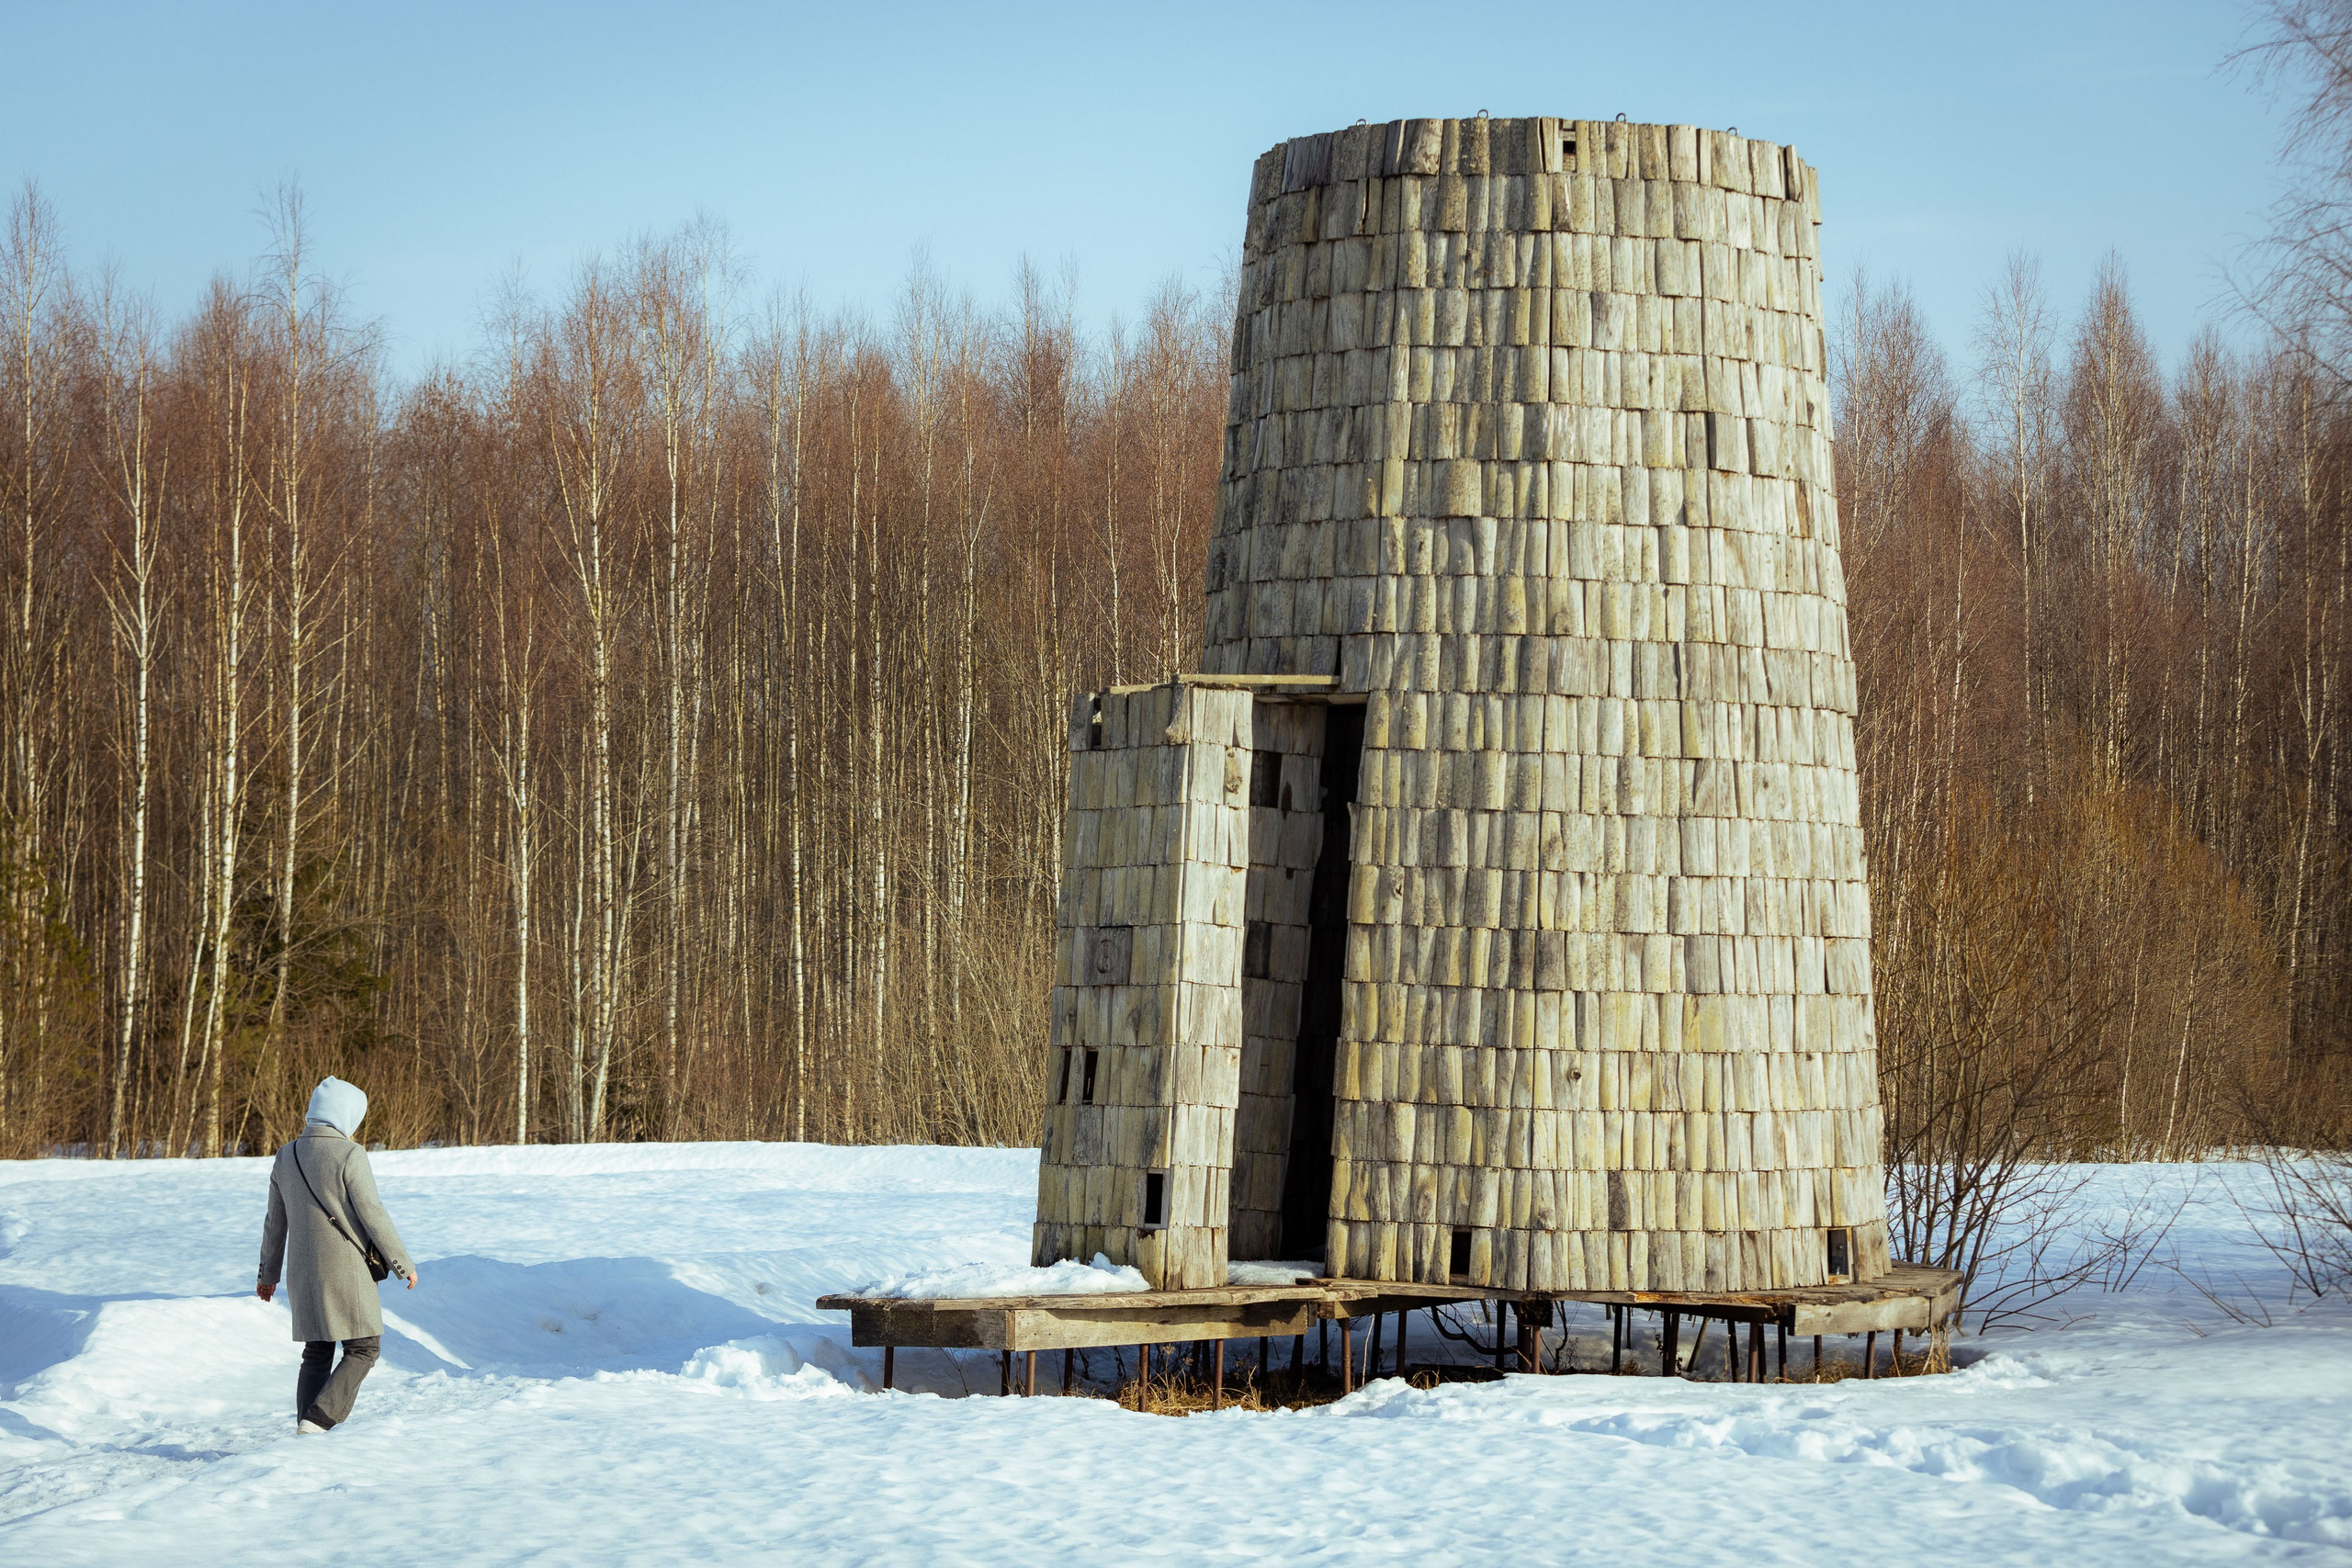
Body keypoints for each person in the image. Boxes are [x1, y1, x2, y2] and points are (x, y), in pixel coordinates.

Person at [256, 1077, 418, 1434]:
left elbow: (274, 1223)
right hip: (346, 1269)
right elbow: (372, 1212)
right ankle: (319, 1420)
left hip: (302, 1272)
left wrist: (267, 1275)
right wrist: (401, 1263)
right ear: (346, 1114)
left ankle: (306, 1427)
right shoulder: (349, 1153)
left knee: (317, 1351)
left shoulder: (286, 1155)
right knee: (364, 1347)